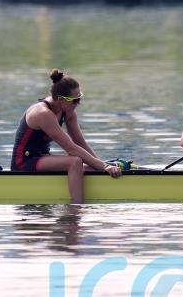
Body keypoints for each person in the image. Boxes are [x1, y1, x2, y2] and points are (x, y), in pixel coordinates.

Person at [11, 69, 123, 204]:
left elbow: (80, 142)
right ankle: (76, 209)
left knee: (92, 164)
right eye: (74, 100)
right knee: (75, 161)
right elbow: (72, 149)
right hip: (24, 162)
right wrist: (104, 167)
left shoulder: (68, 112)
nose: (78, 103)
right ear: (61, 100)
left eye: (79, 98)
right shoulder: (43, 113)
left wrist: (102, 166)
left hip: (43, 158)